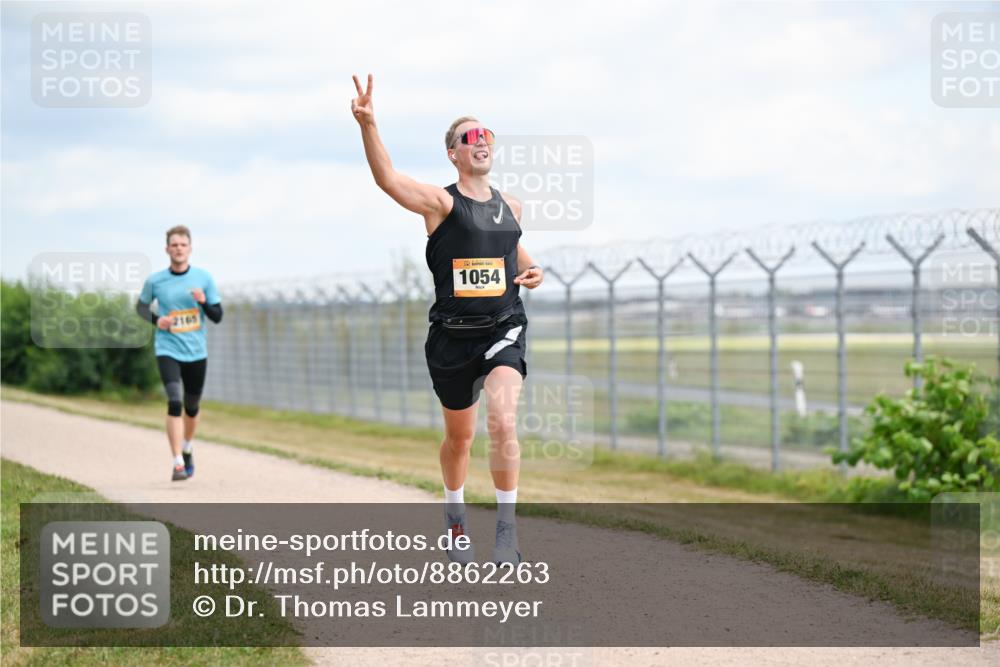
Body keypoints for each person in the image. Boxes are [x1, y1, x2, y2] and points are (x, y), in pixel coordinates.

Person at [351, 74, 544, 565]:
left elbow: (509, 249)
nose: (480, 143)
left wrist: (530, 268)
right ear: (453, 154)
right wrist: (369, 124)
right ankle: (455, 518)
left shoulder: (511, 206)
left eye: (487, 137)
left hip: (504, 327)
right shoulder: (441, 204)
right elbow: (388, 180)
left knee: (502, 421)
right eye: (469, 138)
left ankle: (506, 534)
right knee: (461, 437)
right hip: (452, 339)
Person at [136, 225, 223, 481]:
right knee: (174, 401)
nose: (178, 249)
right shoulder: (155, 281)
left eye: (183, 245)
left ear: (190, 248)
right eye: (174, 245)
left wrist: (204, 301)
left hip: (196, 352)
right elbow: (140, 308)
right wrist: (157, 321)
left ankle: (187, 447)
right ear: (167, 249)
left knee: (191, 406)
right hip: (167, 349)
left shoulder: (203, 278)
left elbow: (218, 316)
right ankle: (177, 463)